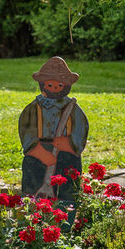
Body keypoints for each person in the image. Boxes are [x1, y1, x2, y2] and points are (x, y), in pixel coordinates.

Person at [18, 56, 88, 207]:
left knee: (68, 189)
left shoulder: (73, 109)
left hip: (66, 155)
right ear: (43, 85)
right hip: (38, 153)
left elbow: (81, 130)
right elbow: (27, 131)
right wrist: (40, 152)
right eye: (50, 84)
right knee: (33, 187)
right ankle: (32, 219)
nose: (55, 88)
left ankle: (65, 219)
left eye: (60, 85)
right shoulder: (33, 108)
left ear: (66, 86)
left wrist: (69, 144)